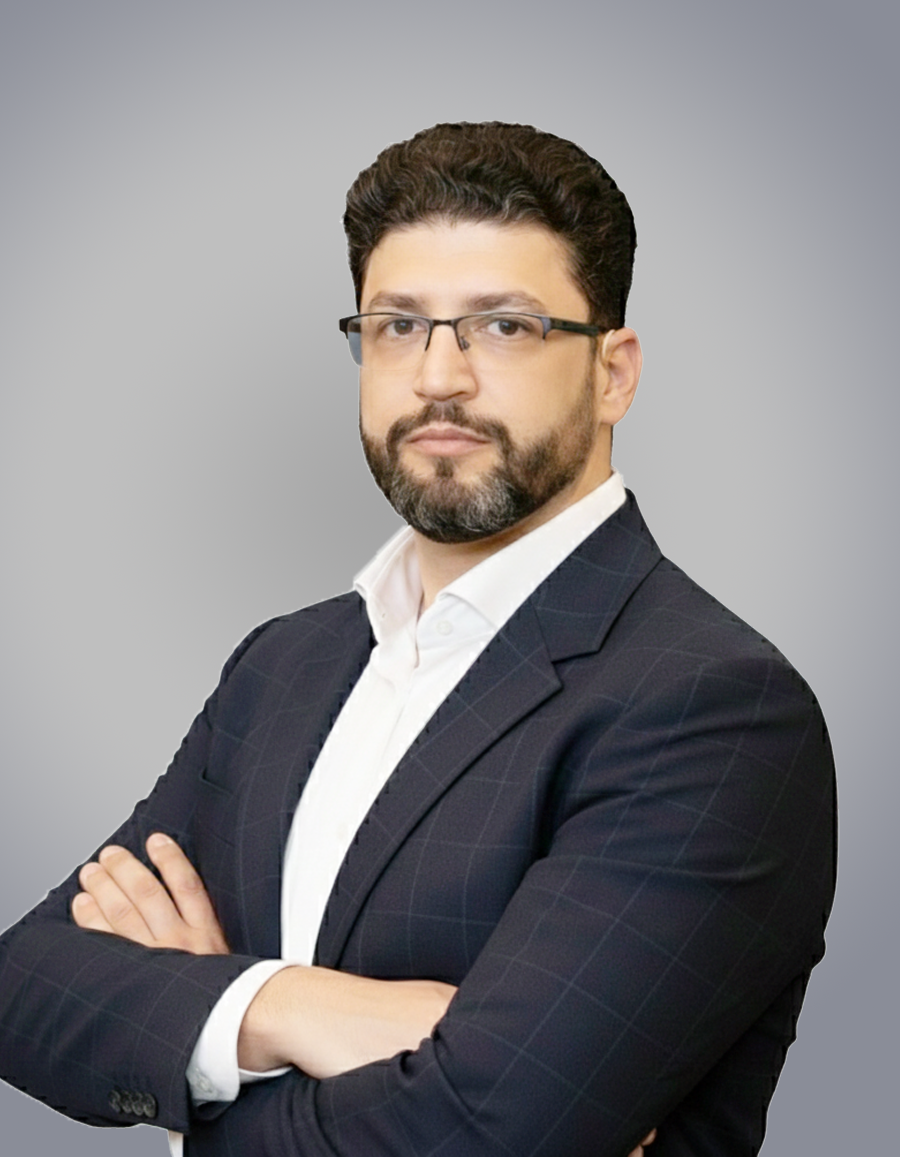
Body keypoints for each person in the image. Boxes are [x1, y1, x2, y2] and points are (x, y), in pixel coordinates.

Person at [0, 122, 835, 1157]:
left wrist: (196, 1031)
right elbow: (25, 983)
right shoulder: (283, 666)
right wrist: (285, 1005)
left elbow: (490, 1129)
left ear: (613, 373)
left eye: (504, 326)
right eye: (398, 325)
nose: (439, 377)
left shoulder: (715, 707)